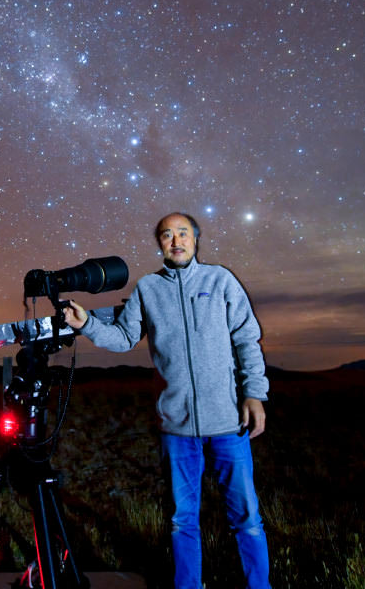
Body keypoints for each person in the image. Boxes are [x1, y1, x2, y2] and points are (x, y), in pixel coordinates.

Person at [64, 212, 271, 589]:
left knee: (247, 517)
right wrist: (86, 324)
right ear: (159, 243)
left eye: (182, 233)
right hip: (176, 427)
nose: (175, 240)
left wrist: (254, 393)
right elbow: (124, 338)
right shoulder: (147, 290)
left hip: (228, 422)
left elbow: (246, 338)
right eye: (166, 235)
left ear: (196, 238)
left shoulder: (220, 280)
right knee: (182, 519)